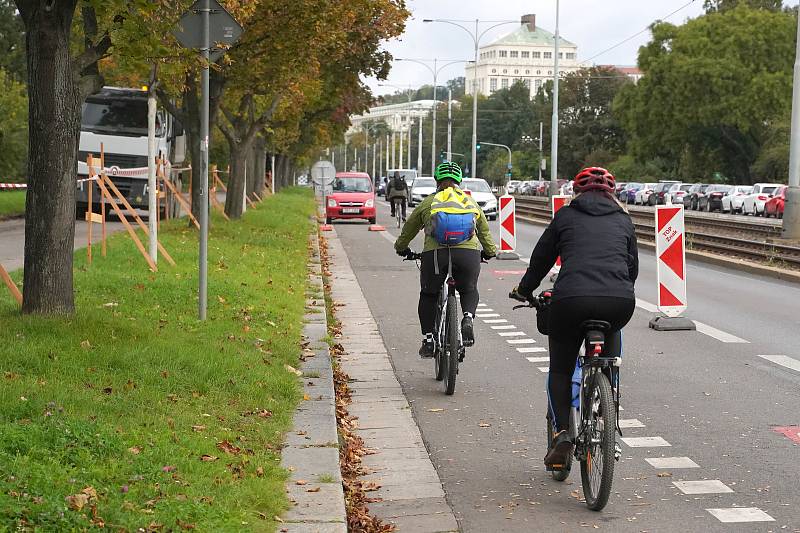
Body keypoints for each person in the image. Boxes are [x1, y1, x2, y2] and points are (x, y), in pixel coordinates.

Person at [510, 167, 638, 468]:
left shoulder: (566, 217)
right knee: (611, 344)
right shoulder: (624, 220)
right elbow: (631, 269)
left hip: (571, 301)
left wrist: (525, 290)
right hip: (618, 302)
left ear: (576, 193)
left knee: (561, 370)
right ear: (612, 193)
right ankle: (605, 407)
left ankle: (563, 434)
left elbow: (541, 259)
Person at [395, 162, 497, 358]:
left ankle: (428, 340)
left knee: (428, 294)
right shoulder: (469, 202)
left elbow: (409, 228)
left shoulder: (429, 202)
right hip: (468, 254)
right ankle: (467, 318)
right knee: (469, 289)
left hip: (435, 254)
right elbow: (483, 229)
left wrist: (401, 248)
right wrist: (489, 252)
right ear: (459, 181)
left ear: (437, 180)